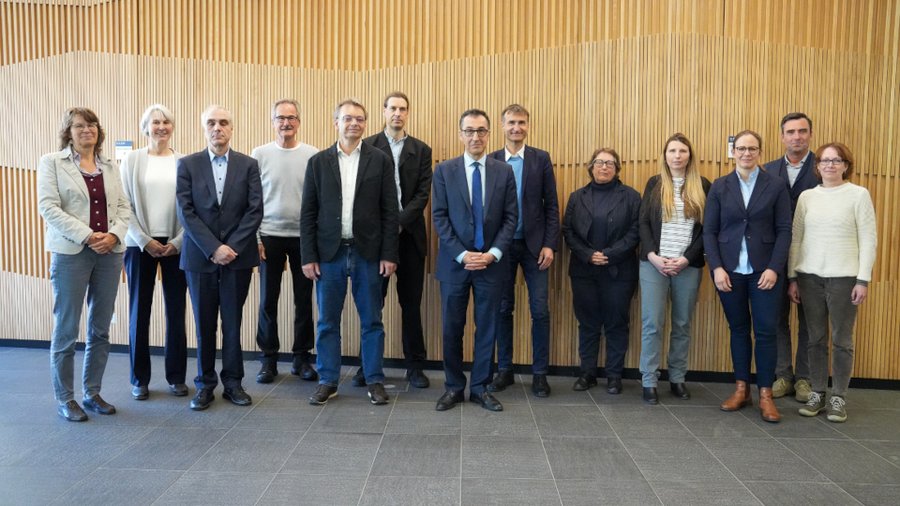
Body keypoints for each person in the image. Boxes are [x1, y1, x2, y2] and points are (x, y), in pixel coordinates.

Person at [301, 99, 399, 406]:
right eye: (347, 118)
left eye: (359, 119)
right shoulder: (318, 162)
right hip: (328, 253)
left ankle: (374, 379)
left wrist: (389, 254)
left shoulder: (380, 160)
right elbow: (308, 213)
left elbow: (389, 211)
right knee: (327, 321)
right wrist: (308, 256)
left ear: (365, 124)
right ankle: (328, 380)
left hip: (367, 252)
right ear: (336, 123)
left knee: (372, 320)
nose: (353, 123)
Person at [37, 107, 131, 421]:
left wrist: (114, 236)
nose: (86, 130)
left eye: (91, 124)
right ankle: (66, 399)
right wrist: (90, 235)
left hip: (109, 254)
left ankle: (92, 393)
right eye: (79, 125)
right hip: (71, 254)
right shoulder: (52, 162)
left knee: (100, 329)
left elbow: (123, 207)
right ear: (69, 131)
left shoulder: (109, 165)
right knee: (66, 330)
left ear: (98, 130)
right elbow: (48, 207)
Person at [176, 105, 262, 410]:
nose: (217, 128)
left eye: (223, 123)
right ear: (204, 129)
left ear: (232, 128)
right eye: (211, 123)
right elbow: (186, 212)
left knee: (233, 322)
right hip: (200, 258)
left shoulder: (249, 165)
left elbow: (254, 211)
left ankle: (234, 384)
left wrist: (231, 248)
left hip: (238, 258)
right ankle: (205, 385)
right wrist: (214, 248)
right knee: (204, 323)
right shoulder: (187, 164)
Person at [431, 109, 517, 412]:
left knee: (488, 327)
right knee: (452, 328)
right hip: (455, 264)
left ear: (489, 134)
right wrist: (462, 253)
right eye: (469, 131)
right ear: (460, 135)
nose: (475, 136)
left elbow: (511, 218)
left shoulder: (503, 171)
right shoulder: (444, 171)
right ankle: (453, 387)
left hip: (491, 265)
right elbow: (439, 217)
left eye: (481, 131)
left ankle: (480, 387)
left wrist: (492, 254)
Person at [703, 130, 792, 423]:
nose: (746, 153)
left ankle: (765, 393)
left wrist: (774, 268)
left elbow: (784, 230)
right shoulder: (719, 186)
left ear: (760, 152)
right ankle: (741, 388)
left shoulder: (776, 186)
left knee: (766, 331)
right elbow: (710, 231)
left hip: (764, 272)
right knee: (738, 330)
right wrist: (716, 267)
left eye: (752, 148)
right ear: (733, 152)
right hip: (729, 272)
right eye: (741, 148)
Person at [789, 142, 877, 423]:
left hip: (844, 279)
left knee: (842, 340)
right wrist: (792, 276)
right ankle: (817, 392)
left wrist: (862, 279)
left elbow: (868, 239)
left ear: (846, 165)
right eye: (825, 160)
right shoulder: (806, 197)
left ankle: (838, 397)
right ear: (817, 166)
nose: (830, 165)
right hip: (809, 278)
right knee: (815, 340)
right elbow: (796, 239)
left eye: (836, 160)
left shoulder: (858, 195)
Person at [352, 91, 433, 389]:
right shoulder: (367, 146)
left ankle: (415, 367)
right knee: (373, 304)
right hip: (376, 240)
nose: (397, 113)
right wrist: (385, 226)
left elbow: (423, 194)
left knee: (411, 304)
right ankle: (367, 366)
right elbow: (361, 194)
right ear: (383, 112)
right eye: (392, 108)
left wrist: (397, 222)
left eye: (403, 109)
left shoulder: (422, 150)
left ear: (408, 114)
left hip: (410, 237)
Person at [487, 104, 559, 398]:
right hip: (501, 248)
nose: (517, 127)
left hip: (535, 247)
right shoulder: (491, 160)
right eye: (511, 123)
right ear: (502, 127)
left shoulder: (540, 159)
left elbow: (552, 206)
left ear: (528, 125)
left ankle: (539, 374)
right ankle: (505, 370)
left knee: (539, 311)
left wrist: (549, 244)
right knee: (503, 309)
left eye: (522, 122)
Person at [120, 104, 188, 401]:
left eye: (166, 122)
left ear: (172, 127)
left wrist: (179, 242)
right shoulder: (131, 160)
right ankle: (139, 378)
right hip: (139, 245)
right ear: (145, 127)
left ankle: (176, 377)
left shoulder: (184, 162)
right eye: (155, 122)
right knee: (139, 312)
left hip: (176, 244)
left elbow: (192, 207)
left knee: (176, 312)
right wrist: (143, 239)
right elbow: (123, 206)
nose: (161, 126)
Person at [638, 133, 710, 404]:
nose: (677, 156)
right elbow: (643, 223)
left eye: (682, 151)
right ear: (665, 155)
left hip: (686, 266)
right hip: (654, 265)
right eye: (672, 151)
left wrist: (687, 258)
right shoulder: (655, 184)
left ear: (689, 155)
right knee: (652, 323)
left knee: (682, 324)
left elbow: (707, 230)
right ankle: (649, 380)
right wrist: (653, 256)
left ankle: (677, 378)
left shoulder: (703, 185)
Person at [563, 148, 640, 395]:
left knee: (617, 323)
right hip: (584, 270)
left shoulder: (631, 197)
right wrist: (588, 254)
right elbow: (568, 231)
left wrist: (609, 254)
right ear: (591, 167)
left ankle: (614, 376)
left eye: (609, 163)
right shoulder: (577, 197)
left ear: (617, 168)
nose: (604, 167)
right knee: (587, 323)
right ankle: (587, 373)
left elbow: (636, 231)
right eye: (599, 162)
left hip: (619, 270)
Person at [253, 99, 319, 384]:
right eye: (280, 118)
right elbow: (252, 200)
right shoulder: (259, 154)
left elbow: (319, 200)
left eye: (291, 118)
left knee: (304, 300)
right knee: (268, 298)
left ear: (299, 122)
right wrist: (255, 237)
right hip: (269, 236)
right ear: (272, 121)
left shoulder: (313, 155)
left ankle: (302, 357)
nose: (286, 123)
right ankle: (268, 359)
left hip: (304, 237)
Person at [764, 112, 819, 402]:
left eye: (802, 131)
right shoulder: (768, 170)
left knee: (809, 320)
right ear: (782, 136)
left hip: (813, 256)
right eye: (790, 132)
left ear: (810, 134)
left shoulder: (822, 168)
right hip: (776, 257)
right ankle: (783, 375)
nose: (796, 136)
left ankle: (805, 379)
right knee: (776, 319)